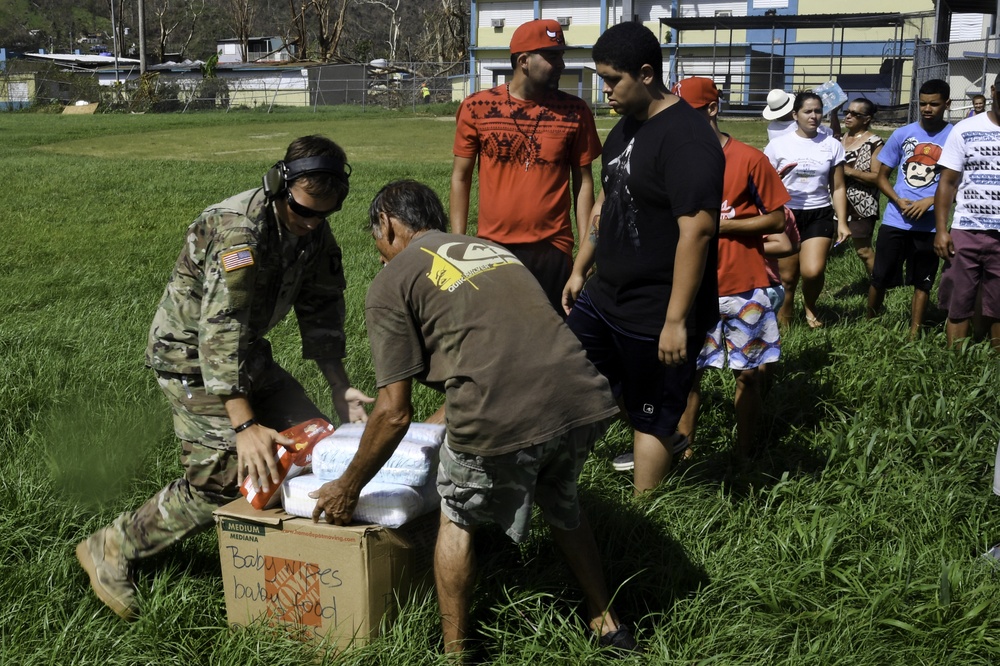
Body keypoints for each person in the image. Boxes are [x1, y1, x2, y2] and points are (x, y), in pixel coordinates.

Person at [310, 180, 638, 656]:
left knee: (457, 518)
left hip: (506, 416)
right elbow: (495, 355)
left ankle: (455, 653)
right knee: (561, 499)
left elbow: (393, 411)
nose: (379, 252)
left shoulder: (393, 279)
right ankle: (606, 622)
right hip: (582, 400)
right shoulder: (491, 249)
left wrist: (347, 487)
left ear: (388, 224)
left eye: (375, 236)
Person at [75, 135, 374, 620]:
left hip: (245, 354)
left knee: (313, 444)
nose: (312, 223)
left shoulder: (313, 230)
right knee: (228, 471)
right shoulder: (240, 232)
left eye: (326, 213)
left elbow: (321, 308)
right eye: (303, 211)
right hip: (191, 356)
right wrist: (243, 427)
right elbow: (220, 327)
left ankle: (305, 559)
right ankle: (113, 546)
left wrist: (340, 386)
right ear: (280, 185)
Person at [562, 22, 724, 494]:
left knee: (651, 416)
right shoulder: (628, 126)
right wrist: (580, 269)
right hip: (603, 297)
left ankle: (644, 515)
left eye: (613, 79)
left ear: (647, 73)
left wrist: (675, 320)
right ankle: (562, 482)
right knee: (568, 381)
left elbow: (697, 231)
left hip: (654, 310)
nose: (605, 90)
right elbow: (606, 206)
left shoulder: (688, 140)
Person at [668, 77, 788, 460]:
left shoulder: (750, 159)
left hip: (743, 286)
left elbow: (776, 221)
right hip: (691, 287)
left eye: (686, 113)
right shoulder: (674, 162)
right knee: (688, 376)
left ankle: (745, 451)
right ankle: (684, 450)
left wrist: (723, 227)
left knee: (748, 375)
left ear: (712, 109)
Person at [450, 18, 601, 314]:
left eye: (561, 55)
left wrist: (585, 252)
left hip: (553, 249)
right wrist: (459, 242)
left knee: (555, 332)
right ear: (524, 61)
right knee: (498, 331)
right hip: (493, 248)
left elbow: (584, 182)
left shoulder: (575, 111)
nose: (560, 63)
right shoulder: (476, 108)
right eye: (552, 56)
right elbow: (460, 177)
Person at [868, 79, 953, 337]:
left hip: (929, 225)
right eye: (923, 103)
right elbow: (882, 176)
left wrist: (931, 201)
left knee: (923, 280)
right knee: (880, 275)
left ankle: (914, 331)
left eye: (934, 104)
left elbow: (958, 183)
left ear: (946, 104)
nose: (927, 109)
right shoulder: (902, 134)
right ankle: (870, 320)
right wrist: (896, 199)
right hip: (896, 219)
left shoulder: (954, 136)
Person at [764, 91, 850, 329]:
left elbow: (839, 186)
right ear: (795, 115)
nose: (814, 116)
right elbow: (765, 184)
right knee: (788, 278)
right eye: (807, 111)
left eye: (818, 111)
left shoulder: (832, 145)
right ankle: (786, 315)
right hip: (786, 214)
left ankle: (810, 306)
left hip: (819, 212)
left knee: (813, 271)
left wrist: (841, 221)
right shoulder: (777, 146)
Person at [933, 75, 1000, 350]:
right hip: (966, 229)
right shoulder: (966, 128)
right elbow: (947, 182)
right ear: (994, 91)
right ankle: (955, 364)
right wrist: (941, 230)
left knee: (998, 303)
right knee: (959, 301)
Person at [840, 98, 884, 276]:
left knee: (863, 251)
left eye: (855, 114)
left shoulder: (875, 142)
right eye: (847, 112)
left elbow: (878, 177)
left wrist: (848, 171)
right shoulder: (840, 138)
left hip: (861, 205)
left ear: (866, 119)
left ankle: (878, 285)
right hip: (835, 203)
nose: (848, 116)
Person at [762, 88, 840, 141]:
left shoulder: (771, 128)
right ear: (794, 113)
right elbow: (835, 135)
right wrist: (834, 113)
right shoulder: (802, 125)